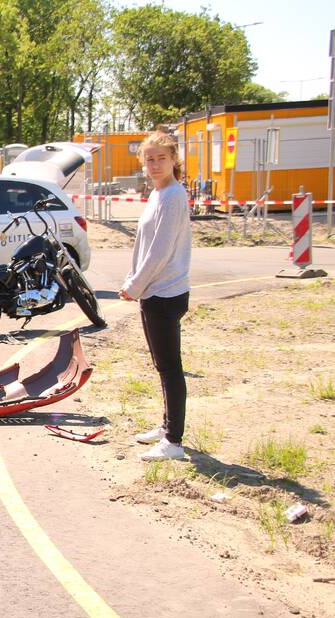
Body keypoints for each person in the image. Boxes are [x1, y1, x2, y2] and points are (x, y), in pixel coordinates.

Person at [118, 131, 192, 461]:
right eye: (149, 158)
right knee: (163, 366)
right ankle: (166, 427)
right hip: (154, 290)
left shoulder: (174, 196)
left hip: (164, 292)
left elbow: (160, 252)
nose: (155, 164)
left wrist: (135, 287)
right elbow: (144, 247)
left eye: (161, 157)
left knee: (170, 368)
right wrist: (134, 280)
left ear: (174, 159)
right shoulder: (158, 194)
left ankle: (174, 441)